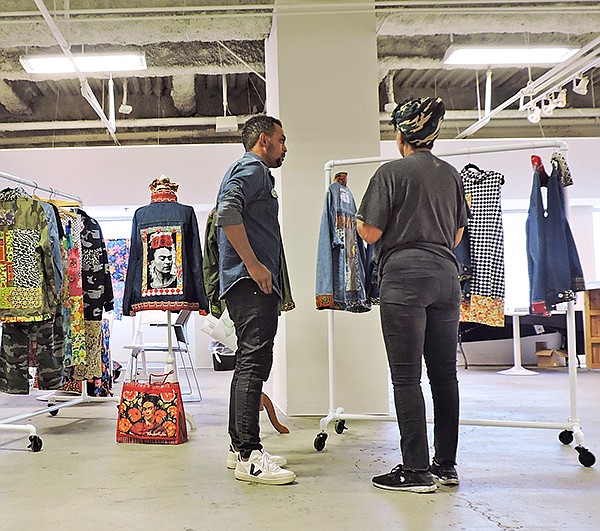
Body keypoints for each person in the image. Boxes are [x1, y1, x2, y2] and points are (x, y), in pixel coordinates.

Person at [356, 97, 468, 493]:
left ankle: (416, 471)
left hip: (404, 277)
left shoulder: (391, 173)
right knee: (444, 376)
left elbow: (369, 233)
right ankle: (446, 465)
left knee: (406, 377)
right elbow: (457, 235)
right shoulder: (452, 175)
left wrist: (358, 222)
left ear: (401, 134)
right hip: (445, 277)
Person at [215, 114, 296, 486]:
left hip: (245, 284)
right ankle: (250, 455)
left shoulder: (248, 170)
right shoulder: (253, 169)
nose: (284, 147)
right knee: (254, 363)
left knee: (247, 362)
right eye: (281, 140)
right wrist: (255, 266)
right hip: (251, 284)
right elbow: (227, 213)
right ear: (264, 140)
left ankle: (238, 448)